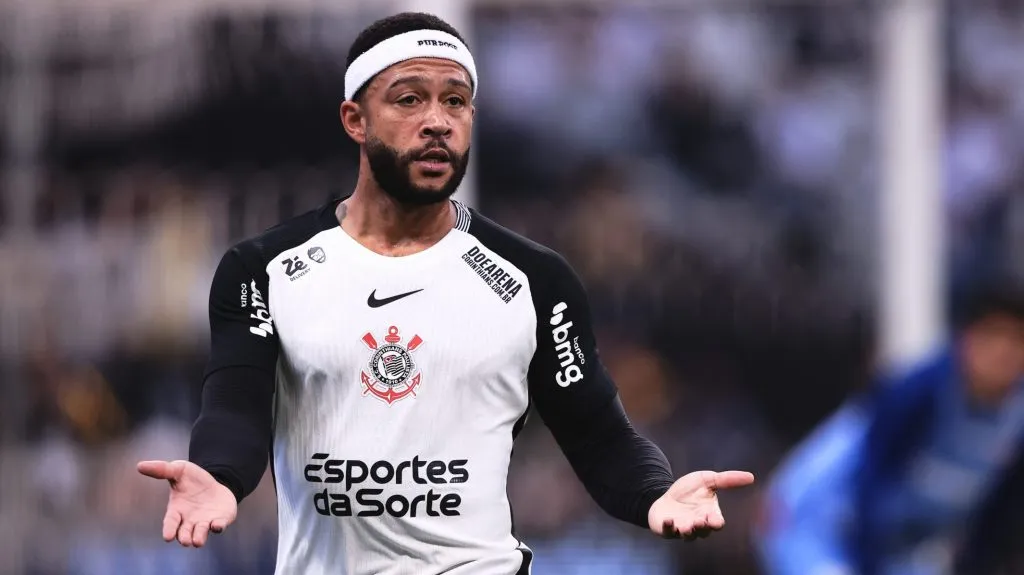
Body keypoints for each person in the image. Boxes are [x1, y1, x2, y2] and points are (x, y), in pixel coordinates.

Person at [136, 12, 755, 575]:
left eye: (455, 101)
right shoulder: (263, 270)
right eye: (409, 99)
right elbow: (236, 406)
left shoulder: (534, 279)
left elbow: (597, 432)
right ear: (356, 119)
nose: (437, 121)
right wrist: (219, 477)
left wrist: (654, 491)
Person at [754, 282, 1024, 575]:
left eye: (1016, 343)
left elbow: (997, 514)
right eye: (993, 338)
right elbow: (868, 486)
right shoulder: (918, 392)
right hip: (820, 523)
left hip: (898, 543)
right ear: (966, 341)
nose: (1002, 355)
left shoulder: (1016, 417)